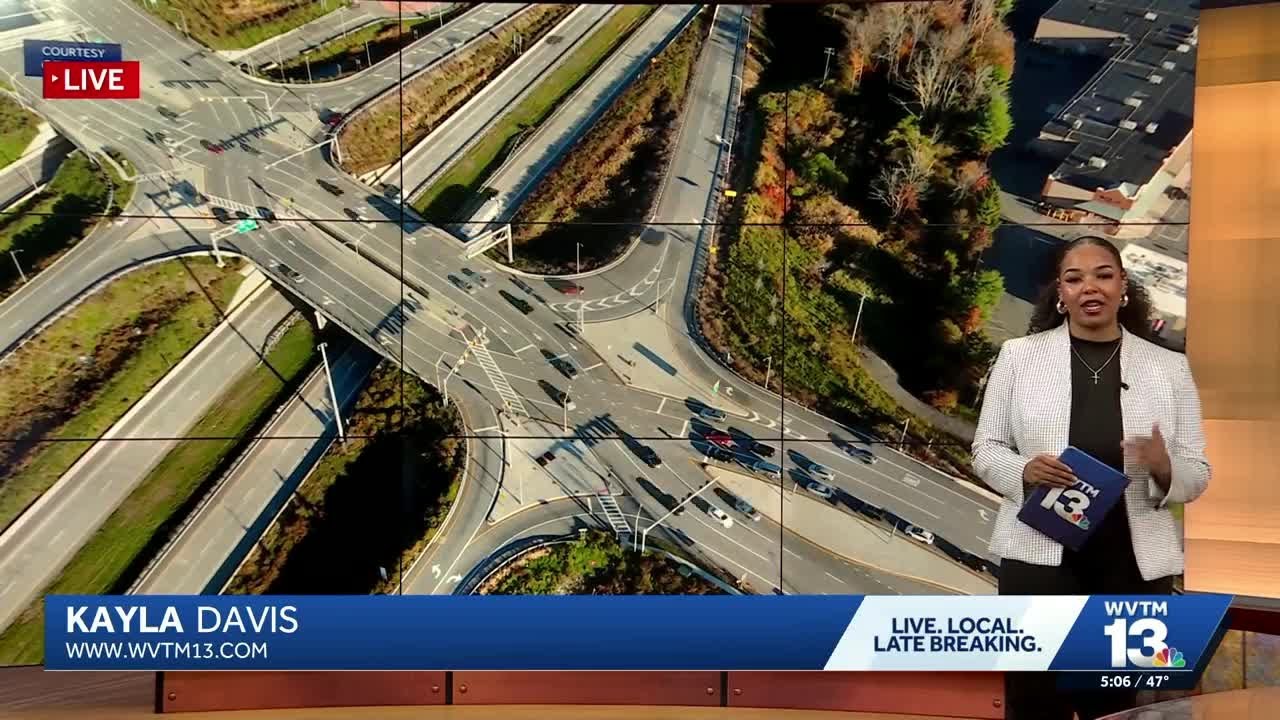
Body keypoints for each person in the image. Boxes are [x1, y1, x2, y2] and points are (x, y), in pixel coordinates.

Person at [972, 236, 1211, 720]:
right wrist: (1023, 471)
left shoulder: (1169, 368)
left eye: (1103, 274)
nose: (1089, 288)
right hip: (1039, 561)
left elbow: (1198, 473)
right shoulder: (1019, 356)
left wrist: (1166, 467)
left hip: (1132, 569)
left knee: (1111, 706)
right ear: (1060, 292)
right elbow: (985, 449)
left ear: (1123, 286)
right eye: (1074, 278)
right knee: (1032, 703)